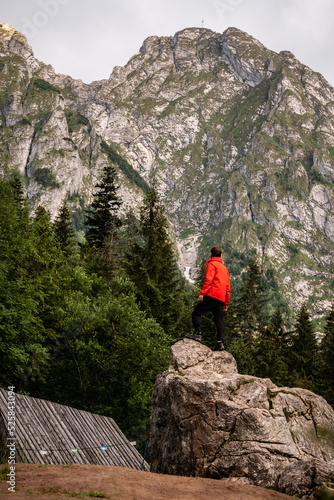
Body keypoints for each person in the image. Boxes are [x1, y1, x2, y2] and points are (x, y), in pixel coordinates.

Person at [186, 246, 231, 351]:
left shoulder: (212, 264)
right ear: (220, 255)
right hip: (220, 298)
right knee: (218, 320)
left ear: (211, 254)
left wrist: (202, 293)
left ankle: (198, 334)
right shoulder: (225, 269)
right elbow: (228, 287)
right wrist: (226, 303)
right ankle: (219, 343)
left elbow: (208, 280)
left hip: (211, 295)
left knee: (196, 313)